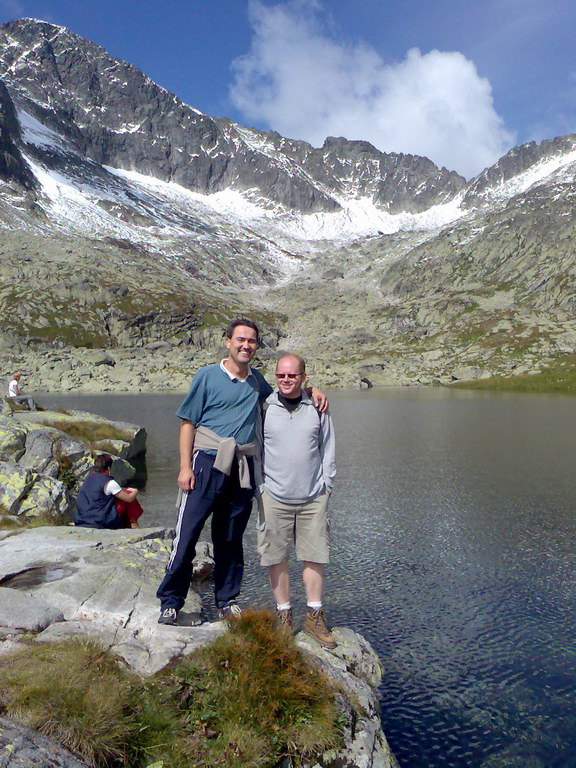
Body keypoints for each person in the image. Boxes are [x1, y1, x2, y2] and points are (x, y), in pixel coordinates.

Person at [156, 319, 327, 626]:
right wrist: (184, 467)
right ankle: (171, 600)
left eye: (252, 341)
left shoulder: (256, 381)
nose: (246, 345)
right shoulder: (207, 376)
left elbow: (283, 392)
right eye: (240, 339)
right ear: (228, 342)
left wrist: (312, 388)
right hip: (206, 462)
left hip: (242, 467)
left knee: (231, 538)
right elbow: (187, 423)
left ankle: (227, 599)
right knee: (188, 533)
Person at [256, 353, 337, 648]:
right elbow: (258, 450)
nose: (286, 380)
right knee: (275, 556)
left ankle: (315, 616)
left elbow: (327, 445)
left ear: (304, 377)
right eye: (281, 376)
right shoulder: (265, 407)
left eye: (292, 375)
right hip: (273, 495)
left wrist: (327, 483)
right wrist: (261, 486)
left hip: (313, 496)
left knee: (315, 555)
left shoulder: (317, 407)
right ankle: (284, 617)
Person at [75, 453, 143, 529]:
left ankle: (129, 523)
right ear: (108, 468)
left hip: (83, 517)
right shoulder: (109, 482)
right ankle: (133, 523)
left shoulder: (89, 478)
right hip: (100, 520)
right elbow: (129, 498)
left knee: (121, 495)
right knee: (129, 494)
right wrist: (136, 491)